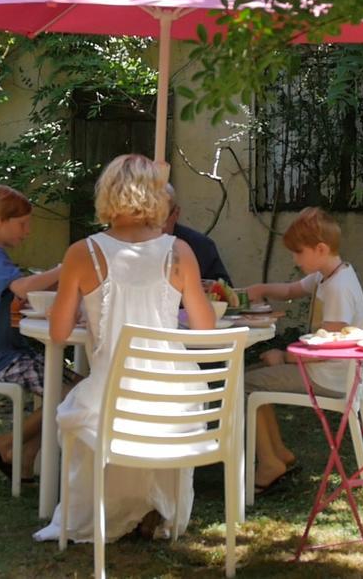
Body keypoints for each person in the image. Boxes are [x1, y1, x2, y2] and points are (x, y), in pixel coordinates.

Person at [34, 155, 216, 544]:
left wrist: (88, 308)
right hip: (172, 402)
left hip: (113, 401)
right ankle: (153, 506)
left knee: (79, 405)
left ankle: (105, 510)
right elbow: (205, 328)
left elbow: (59, 331)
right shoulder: (180, 251)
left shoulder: (82, 252)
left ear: (107, 194)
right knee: (110, 406)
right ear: (157, 196)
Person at [242, 207, 363, 493]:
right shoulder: (329, 275)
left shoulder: (337, 289)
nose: (294, 259)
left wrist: (283, 356)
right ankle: (279, 455)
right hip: (326, 372)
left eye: (298, 252)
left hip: (327, 377)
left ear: (320, 249)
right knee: (251, 375)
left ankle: (271, 463)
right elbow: (289, 291)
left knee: (244, 385)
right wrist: (259, 289)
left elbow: (328, 349)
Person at [0, 184, 73, 482]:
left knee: (77, 387)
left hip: (12, 353)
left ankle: (25, 457)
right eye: (22, 224)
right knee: (68, 394)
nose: (27, 232)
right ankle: (8, 444)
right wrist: (65, 270)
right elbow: (21, 288)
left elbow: (25, 291)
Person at [162, 183, 232, 285]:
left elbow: (224, 292)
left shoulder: (200, 246)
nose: (151, 227)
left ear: (176, 213)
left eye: (161, 218)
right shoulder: (132, 247)